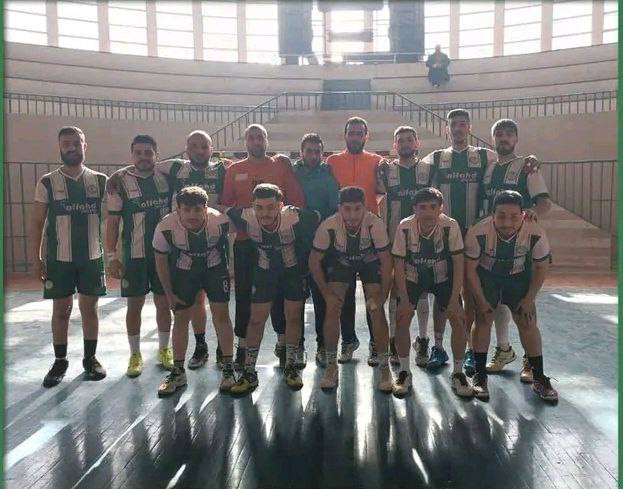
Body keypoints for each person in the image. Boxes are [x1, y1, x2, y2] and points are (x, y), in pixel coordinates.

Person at [421, 109, 540, 376]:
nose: (458, 128)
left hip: (478, 236)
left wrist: (531, 160)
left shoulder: (486, 157)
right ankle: (438, 346)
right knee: (443, 292)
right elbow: (414, 166)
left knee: (474, 295)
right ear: (447, 129)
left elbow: (511, 160)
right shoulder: (437, 158)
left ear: (470, 128)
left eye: (463, 124)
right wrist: (384, 164)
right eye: (454, 124)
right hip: (446, 235)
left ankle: (472, 351)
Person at [221, 124, 306, 371]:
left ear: (266, 141)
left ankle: (284, 344)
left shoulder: (280, 166)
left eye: (260, 137)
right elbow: (226, 205)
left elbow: (296, 202)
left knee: (280, 295)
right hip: (245, 244)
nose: (256, 141)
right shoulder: (234, 169)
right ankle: (242, 346)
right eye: (251, 138)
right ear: (245, 141)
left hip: (277, 243)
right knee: (244, 295)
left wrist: (276, 223)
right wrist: (249, 220)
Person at [31, 126, 108, 387]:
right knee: (61, 310)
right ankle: (60, 361)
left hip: (91, 257)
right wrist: (36, 258)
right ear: (60, 147)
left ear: (85, 146)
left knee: (90, 308)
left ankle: (90, 358)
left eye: (76, 143)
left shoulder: (101, 181)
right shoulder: (47, 182)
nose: (72, 147)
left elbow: (112, 218)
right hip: (59, 259)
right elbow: (37, 222)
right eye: (66, 144)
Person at [225, 184, 320, 395]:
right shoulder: (245, 216)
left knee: (293, 318)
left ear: (281, 206)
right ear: (252, 206)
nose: (264, 213)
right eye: (259, 207)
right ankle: (249, 372)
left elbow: (319, 217)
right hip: (265, 272)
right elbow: (221, 209)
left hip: (293, 272)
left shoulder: (296, 217)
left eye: (270, 207)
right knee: (256, 320)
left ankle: (291, 367)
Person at [465, 190, 558, 403]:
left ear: (523, 214)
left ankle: (539, 377)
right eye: (501, 216)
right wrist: (481, 301)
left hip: (518, 277)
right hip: (487, 276)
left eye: (514, 217)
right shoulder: (478, 231)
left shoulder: (535, 231)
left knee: (527, 321)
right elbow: (470, 270)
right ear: (492, 214)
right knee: (483, 319)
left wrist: (529, 299)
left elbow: (541, 268)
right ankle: (480, 376)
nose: (507, 222)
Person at [479, 119, 552, 381]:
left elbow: (544, 203)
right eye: (499, 134)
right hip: (494, 243)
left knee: (525, 306)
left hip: (521, 244)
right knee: (498, 300)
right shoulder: (488, 167)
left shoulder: (527, 166)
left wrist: (532, 212)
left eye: (509, 134)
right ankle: (503, 349)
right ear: (493, 139)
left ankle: (530, 361)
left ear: (516, 138)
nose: (504, 138)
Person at [309, 187, 393, 392]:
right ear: (339, 208)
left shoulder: (375, 224)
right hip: (343, 261)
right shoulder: (328, 225)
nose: (353, 215)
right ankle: (331, 366)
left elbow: (386, 261)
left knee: (376, 310)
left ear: (365, 208)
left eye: (357, 209)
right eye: (347, 209)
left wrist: (383, 296)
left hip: (369, 261)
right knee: (332, 308)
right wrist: (327, 294)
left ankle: (385, 368)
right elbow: (313, 261)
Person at [157, 130, 229, 370]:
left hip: (213, 238)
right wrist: (118, 175)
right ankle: (200, 346)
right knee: (196, 300)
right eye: (194, 146)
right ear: (186, 148)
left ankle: (224, 350)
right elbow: (146, 166)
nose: (200, 150)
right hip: (183, 244)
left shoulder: (221, 169)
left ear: (212, 149)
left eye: (204, 146)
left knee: (220, 306)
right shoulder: (176, 167)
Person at [153, 187, 235, 397]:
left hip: (214, 269)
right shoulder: (165, 227)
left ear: (206, 209)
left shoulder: (220, 221)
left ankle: (228, 369)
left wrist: (232, 270)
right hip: (184, 271)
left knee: (222, 316)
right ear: (177, 210)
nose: (193, 215)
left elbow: (235, 242)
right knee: (180, 318)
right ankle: (178, 372)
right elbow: (160, 261)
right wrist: (169, 294)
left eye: (198, 209)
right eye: (187, 210)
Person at [392, 188, 472, 398]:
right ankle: (404, 372)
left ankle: (458, 373)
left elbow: (459, 263)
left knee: (459, 319)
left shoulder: (451, 226)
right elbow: (398, 264)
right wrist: (404, 299)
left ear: (441, 208)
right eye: (422, 207)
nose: (428, 212)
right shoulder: (404, 227)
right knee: (401, 318)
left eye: (433, 207)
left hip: (442, 278)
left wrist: (454, 298)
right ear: (414, 209)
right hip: (413, 277)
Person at [106, 135, 173, 377]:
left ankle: (164, 349)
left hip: (163, 254)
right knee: (134, 305)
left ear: (156, 154)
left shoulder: (166, 178)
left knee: (163, 303)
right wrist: (112, 256)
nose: (144, 157)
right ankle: (134, 354)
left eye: (148, 152)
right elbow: (113, 222)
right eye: (139, 152)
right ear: (132, 154)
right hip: (133, 256)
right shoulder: (119, 181)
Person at [327, 117, 384, 366]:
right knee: (345, 292)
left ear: (366, 136)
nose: (355, 137)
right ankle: (348, 341)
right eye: (351, 133)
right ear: (345, 135)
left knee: (373, 294)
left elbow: (383, 191)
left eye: (360, 133)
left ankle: (376, 343)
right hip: (341, 234)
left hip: (370, 236)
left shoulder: (377, 161)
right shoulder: (332, 162)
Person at [376, 126, 435, 368]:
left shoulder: (428, 169)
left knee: (421, 290)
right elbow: (378, 198)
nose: (405, 144)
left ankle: (422, 339)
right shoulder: (385, 170)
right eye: (400, 140)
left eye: (409, 140)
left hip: (423, 238)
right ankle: (393, 340)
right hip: (394, 238)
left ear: (417, 143)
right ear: (395, 145)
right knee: (394, 290)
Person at [292, 133, 340, 367]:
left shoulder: (328, 176)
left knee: (322, 298)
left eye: (316, 151)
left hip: (323, 247)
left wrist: (315, 220)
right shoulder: (292, 173)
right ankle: (298, 346)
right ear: (301, 152)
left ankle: (323, 345)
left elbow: (334, 210)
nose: (312, 155)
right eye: (308, 151)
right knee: (296, 298)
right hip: (295, 244)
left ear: (322, 153)